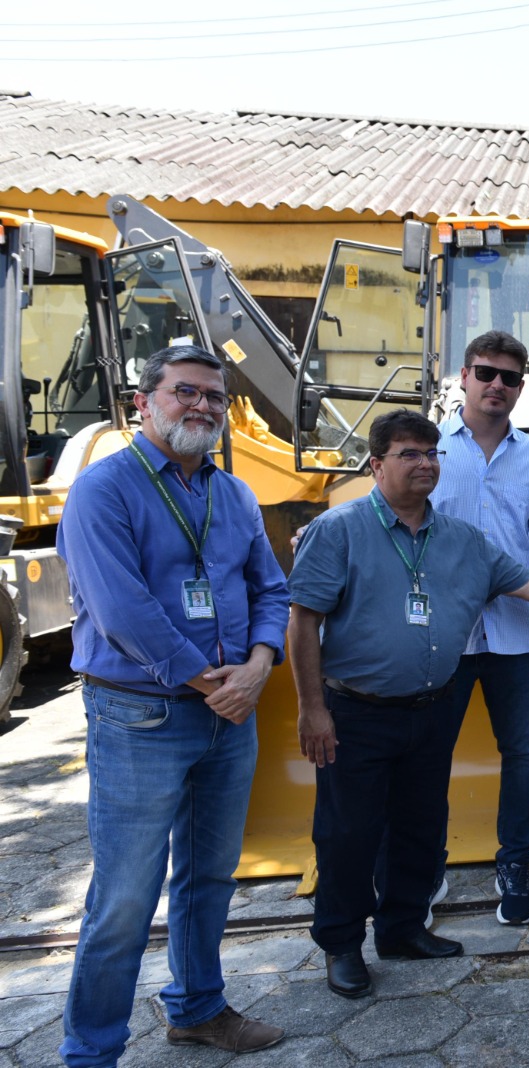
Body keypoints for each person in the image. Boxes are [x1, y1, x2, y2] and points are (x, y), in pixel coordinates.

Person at [288, 410, 529, 998]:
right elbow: (303, 623)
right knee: (348, 835)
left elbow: (528, 582)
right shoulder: (340, 529)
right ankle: (342, 945)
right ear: (376, 464)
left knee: (419, 828)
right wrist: (311, 709)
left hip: (429, 707)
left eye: (432, 453)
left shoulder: (458, 538)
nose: (425, 463)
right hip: (355, 713)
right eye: (409, 454)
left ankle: (401, 928)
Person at [57, 344, 289, 1064]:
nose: (203, 407)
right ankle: (91, 1051)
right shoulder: (104, 491)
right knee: (126, 895)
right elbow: (121, 609)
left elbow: (270, 591)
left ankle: (196, 1008)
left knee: (210, 877)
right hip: (141, 717)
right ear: (143, 402)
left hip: (229, 711)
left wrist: (256, 665)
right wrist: (212, 682)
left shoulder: (235, 493)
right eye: (185, 392)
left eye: (215, 398)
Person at [429, 330, 529, 926]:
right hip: (439, 636)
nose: (497, 386)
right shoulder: (427, 448)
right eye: (486, 373)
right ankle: (424, 870)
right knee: (428, 758)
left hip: (511, 634)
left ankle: (515, 865)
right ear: (463, 376)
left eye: (509, 378)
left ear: (521, 388)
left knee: (522, 756)